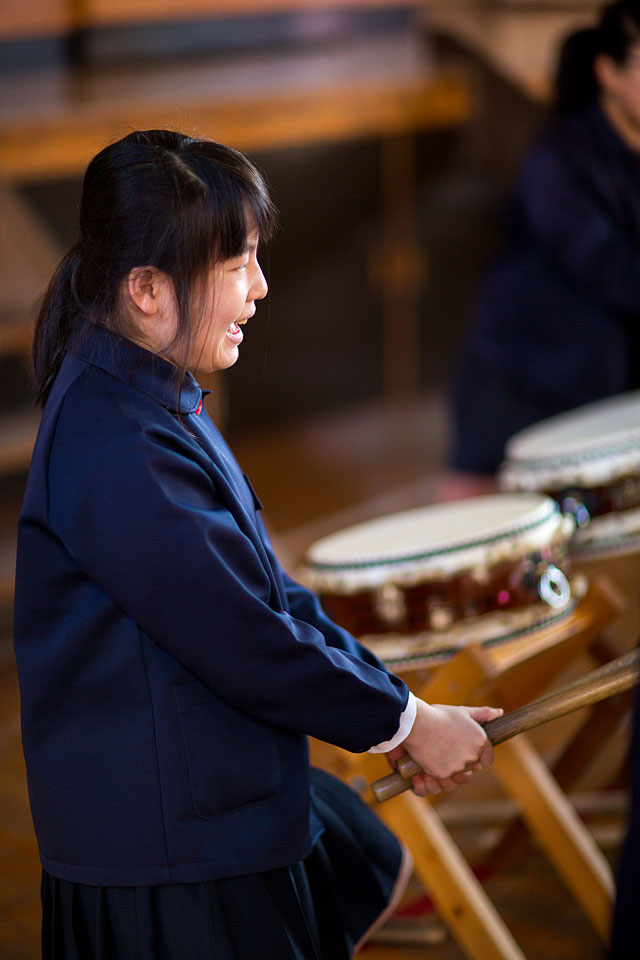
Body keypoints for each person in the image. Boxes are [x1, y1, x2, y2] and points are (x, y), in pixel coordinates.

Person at [12, 129, 501, 960]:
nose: (261, 286)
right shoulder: (118, 449)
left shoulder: (151, 393)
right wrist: (404, 723)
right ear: (146, 289)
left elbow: (266, 590)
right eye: (237, 264)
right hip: (167, 850)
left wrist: (397, 708)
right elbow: (244, 637)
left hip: (203, 805)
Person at [440, 0, 640, 501]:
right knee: (479, 512)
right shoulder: (558, 155)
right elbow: (612, 268)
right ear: (609, 72)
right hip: (523, 370)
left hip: (602, 381)